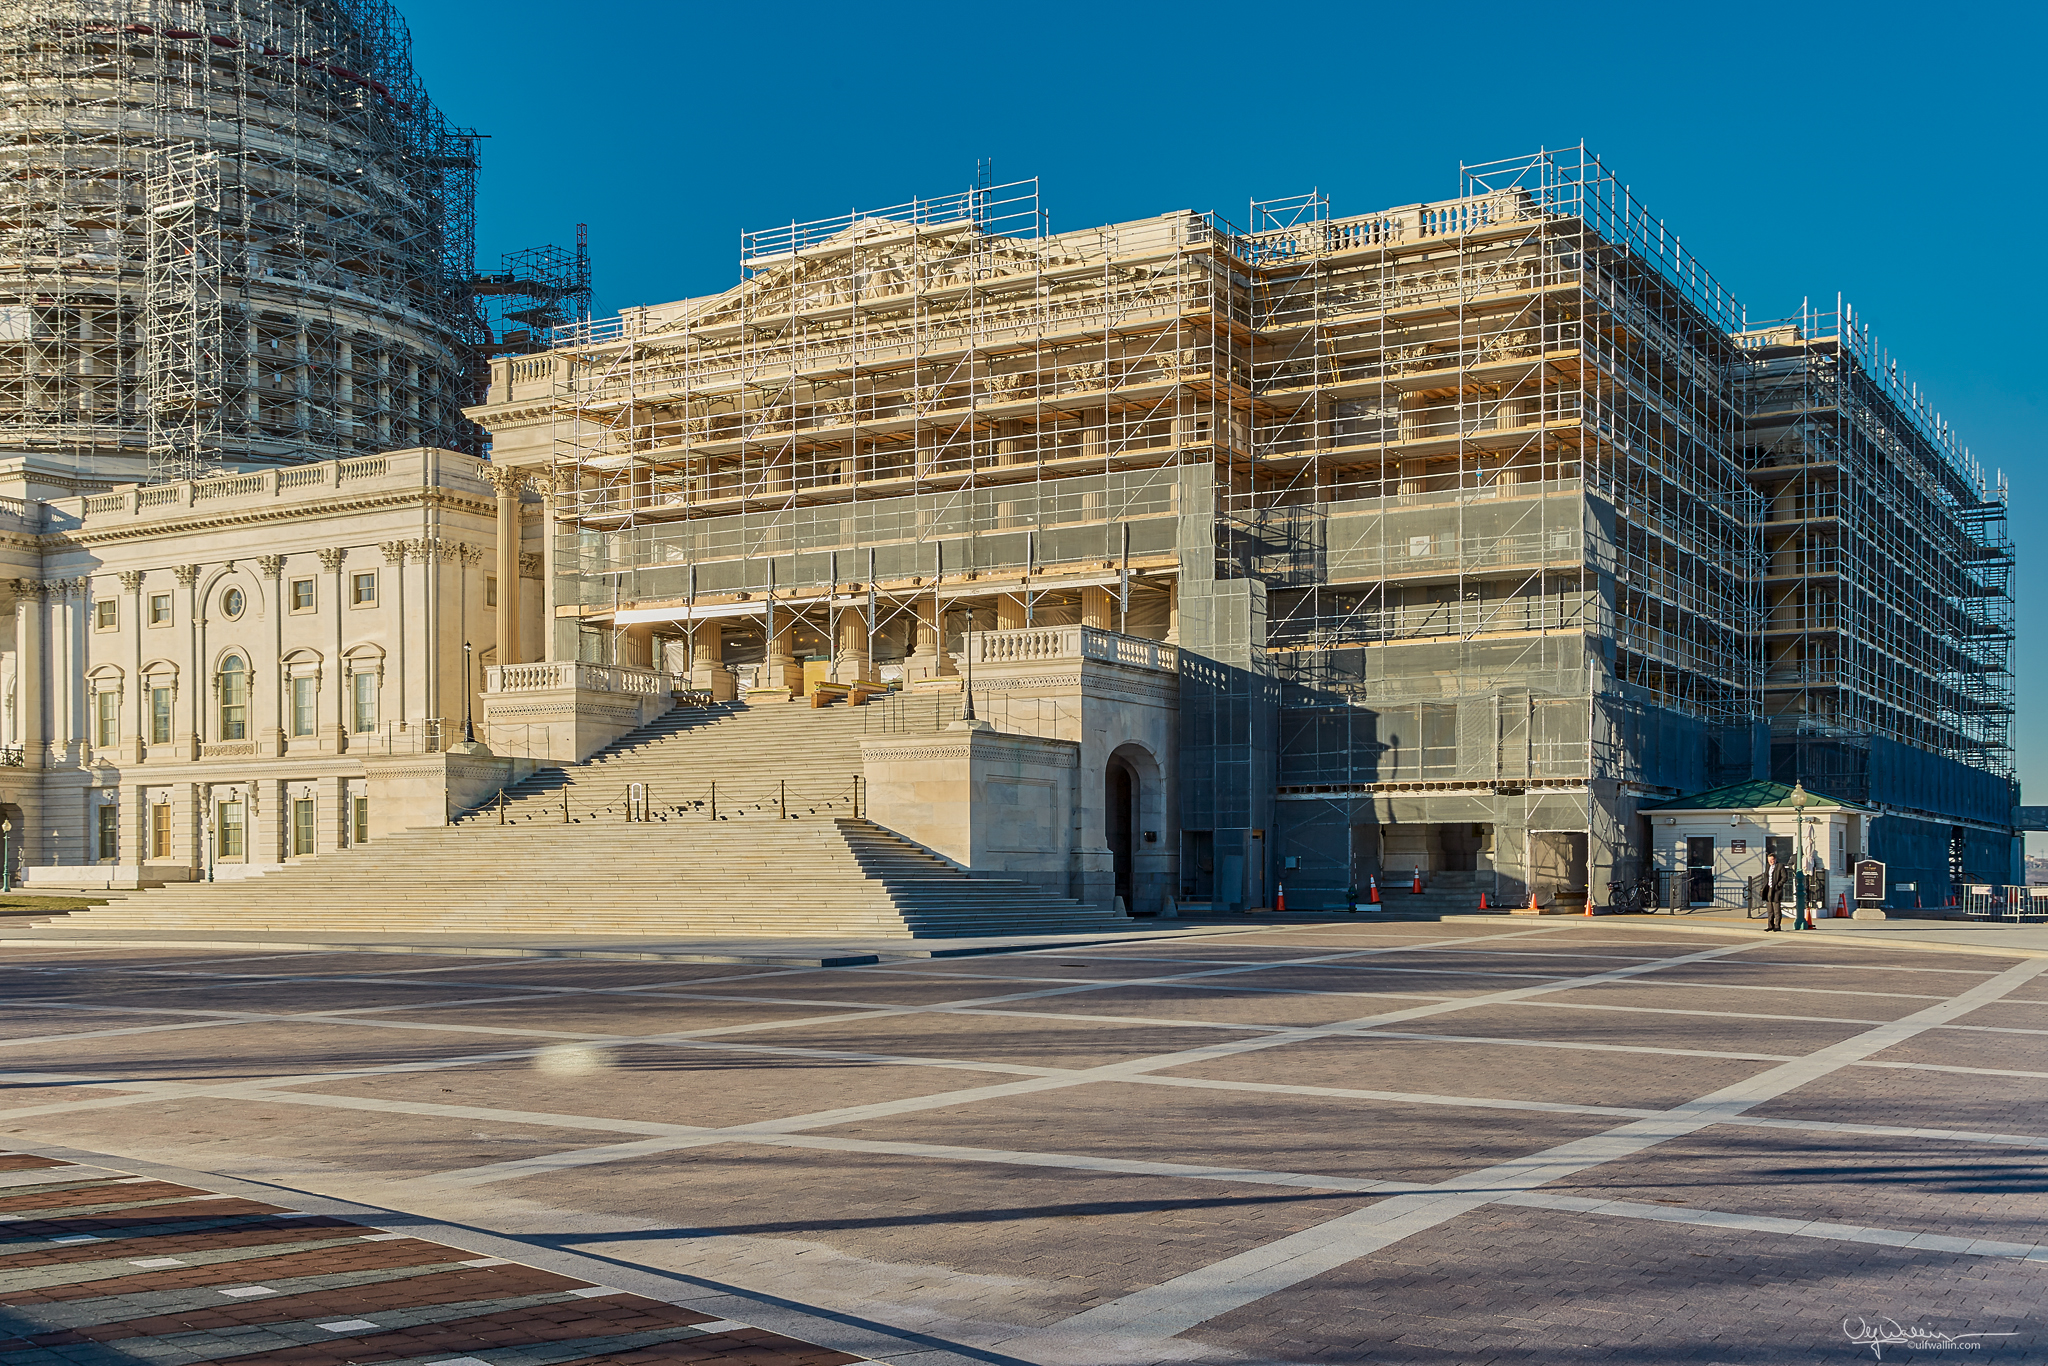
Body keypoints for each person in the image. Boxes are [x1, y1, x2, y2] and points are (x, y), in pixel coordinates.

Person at [1764, 851, 1785, 931]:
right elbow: (1766, 876)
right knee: (1770, 909)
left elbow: (1784, 877)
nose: (1771, 862)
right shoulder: (1767, 866)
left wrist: (1778, 885)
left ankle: (1777, 926)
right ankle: (1770, 925)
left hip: (1776, 890)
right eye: (1769, 860)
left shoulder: (1780, 866)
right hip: (1768, 889)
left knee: (1776, 909)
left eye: (1772, 860)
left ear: (1775, 859)